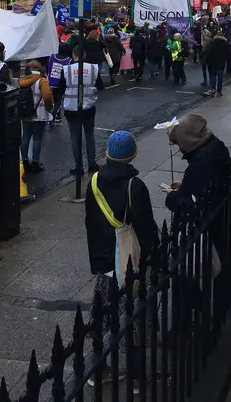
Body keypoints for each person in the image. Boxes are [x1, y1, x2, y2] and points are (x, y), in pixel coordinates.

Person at [85, 130, 159, 389]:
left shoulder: (93, 181)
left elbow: (90, 224)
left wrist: (97, 260)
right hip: (128, 263)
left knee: (104, 317)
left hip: (105, 262)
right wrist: (152, 255)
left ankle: (99, 369)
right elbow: (145, 227)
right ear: (132, 155)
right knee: (133, 318)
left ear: (108, 153)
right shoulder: (134, 186)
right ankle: (137, 377)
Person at [165, 114, 230, 217]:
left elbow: (187, 205)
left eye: (179, 144)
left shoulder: (198, 165)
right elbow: (208, 179)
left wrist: (172, 195)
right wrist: (186, 185)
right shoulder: (216, 145)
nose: (180, 149)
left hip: (213, 215)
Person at [63, 46, 100, 176]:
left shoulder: (66, 69)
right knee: (89, 136)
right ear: (84, 55)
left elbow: (60, 88)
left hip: (71, 109)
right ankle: (92, 164)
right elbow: (100, 85)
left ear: (74, 55)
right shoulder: (93, 68)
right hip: (88, 107)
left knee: (75, 137)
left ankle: (78, 166)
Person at [18, 61, 53, 173]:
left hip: (25, 113)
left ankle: (25, 162)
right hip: (39, 114)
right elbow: (47, 96)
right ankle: (35, 163)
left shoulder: (22, 79)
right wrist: (49, 108)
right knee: (37, 138)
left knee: (25, 137)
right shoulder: (42, 80)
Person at [47, 43, 71, 124]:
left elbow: (48, 68)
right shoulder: (69, 60)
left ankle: (58, 115)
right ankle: (53, 115)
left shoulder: (51, 57)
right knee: (59, 100)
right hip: (61, 83)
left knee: (55, 99)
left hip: (52, 81)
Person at [205, 30, 229, 96]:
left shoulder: (212, 43)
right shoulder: (225, 43)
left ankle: (213, 88)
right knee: (220, 76)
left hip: (213, 62)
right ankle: (219, 90)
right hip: (221, 62)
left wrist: (206, 61)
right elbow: (227, 53)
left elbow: (208, 53)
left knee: (213, 75)